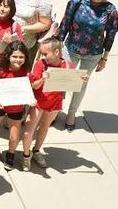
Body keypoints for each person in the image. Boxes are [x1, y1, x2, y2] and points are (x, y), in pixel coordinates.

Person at [59, 0, 118, 131]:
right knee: (62, 81)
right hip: (71, 49)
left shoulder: (110, 10)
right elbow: (64, 25)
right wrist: (58, 46)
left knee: (80, 84)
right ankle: (55, 110)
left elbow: (110, 35)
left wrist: (104, 58)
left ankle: (71, 114)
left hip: (93, 55)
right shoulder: (76, 2)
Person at [21, 37, 87, 170]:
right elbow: (34, 85)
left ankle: (37, 151)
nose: (43, 56)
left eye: (46, 53)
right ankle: (26, 156)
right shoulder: (40, 64)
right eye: (42, 53)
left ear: (57, 52)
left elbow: (74, 84)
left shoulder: (68, 66)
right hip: (38, 102)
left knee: (44, 127)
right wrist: (42, 79)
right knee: (28, 131)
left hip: (54, 103)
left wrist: (82, 79)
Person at [0, 41, 31, 171]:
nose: (18, 59)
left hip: (17, 107)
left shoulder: (26, 72)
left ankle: (11, 153)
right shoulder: (2, 70)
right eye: (14, 56)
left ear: (26, 58)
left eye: (21, 57)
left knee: (14, 135)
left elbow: (30, 87)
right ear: (8, 56)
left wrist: (30, 99)